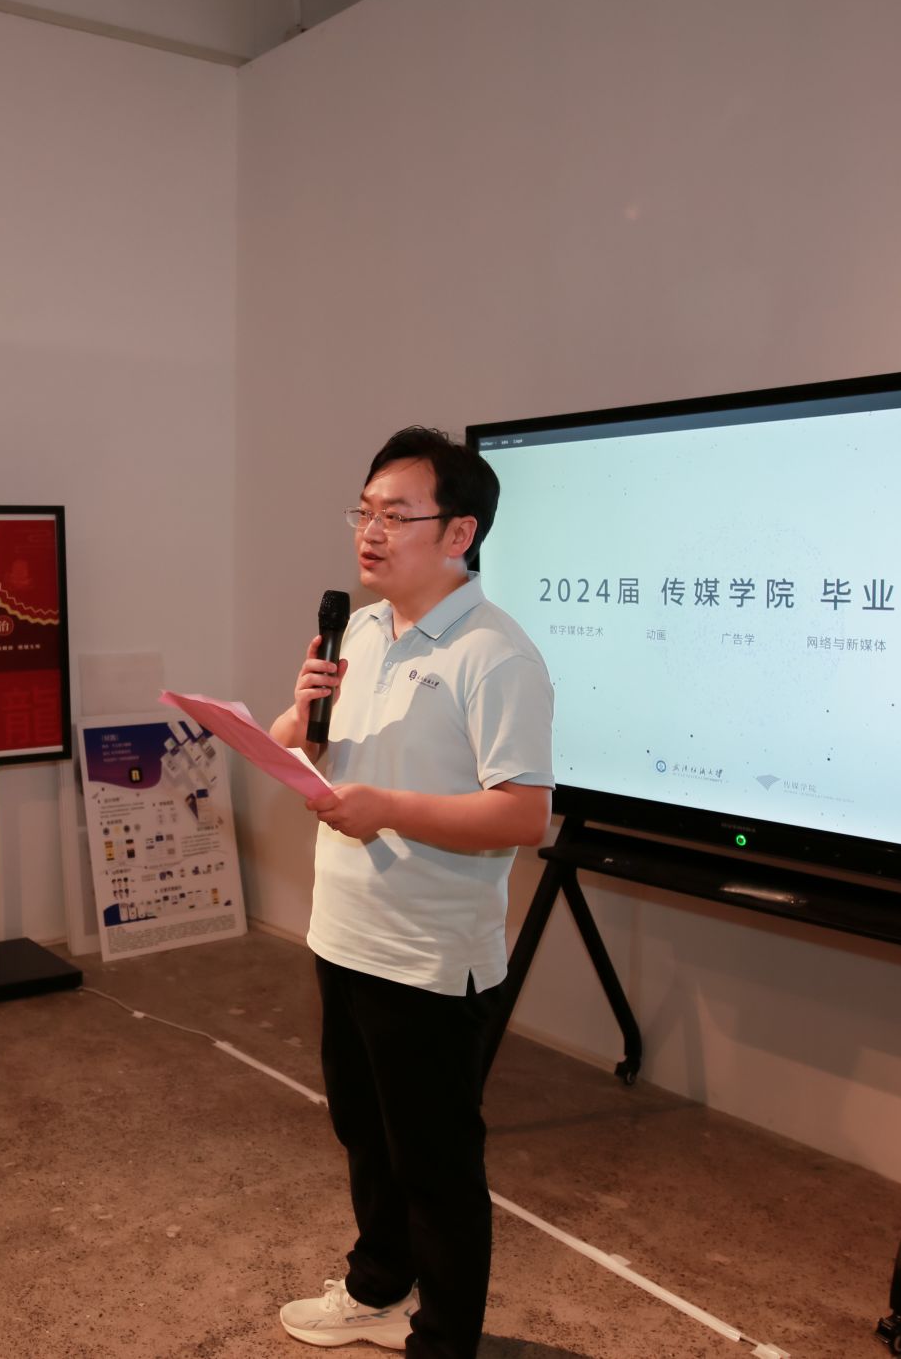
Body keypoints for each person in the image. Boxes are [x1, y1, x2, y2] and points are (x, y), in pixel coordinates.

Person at [268, 426, 554, 1358]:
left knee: (436, 1165)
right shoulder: (360, 629)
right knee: (363, 1131)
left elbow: (523, 814)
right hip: (344, 930)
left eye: (397, 515)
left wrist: (387, 808)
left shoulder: (496, 655)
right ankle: (378, 1288)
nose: (371, 531)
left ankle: (444, 1340)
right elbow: (307, 746)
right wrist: (300, 711)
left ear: (460, 532)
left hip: (429, 955)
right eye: (364, 512)